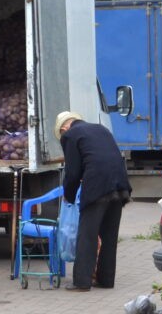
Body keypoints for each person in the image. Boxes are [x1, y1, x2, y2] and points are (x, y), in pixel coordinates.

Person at [56, 110, 131, 291]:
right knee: (109, 235)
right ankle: (106, 280)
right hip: (120, 185)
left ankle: (81, 281)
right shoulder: (100, 129)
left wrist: (69, 195)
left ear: (65, 128)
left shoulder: (71, 135)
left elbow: (73, 171)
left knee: (87, 234)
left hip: (98, 187)